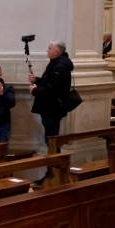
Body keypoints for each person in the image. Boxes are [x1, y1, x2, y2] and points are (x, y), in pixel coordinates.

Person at [29, 40, 73, 185]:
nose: (47, 50)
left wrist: (35, 90)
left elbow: (52, 90)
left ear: (57, 51)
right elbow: (50, 83)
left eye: (49, 48)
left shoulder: (60, 66)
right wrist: (38, 80)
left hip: (52, 108)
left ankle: (55, 171)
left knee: (52, 141)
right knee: (51, 140)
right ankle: (54, 170)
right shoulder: (57, 63)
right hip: (50, 108)